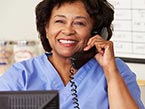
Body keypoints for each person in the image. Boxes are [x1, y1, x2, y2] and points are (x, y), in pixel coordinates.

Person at [0, 0, 144, 109]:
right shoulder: (20, 75)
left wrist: (110, 71)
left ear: (96, 32)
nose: (68, 30)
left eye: (79, 23)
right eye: (59, 21)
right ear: (46, 29)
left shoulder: (117, 70)